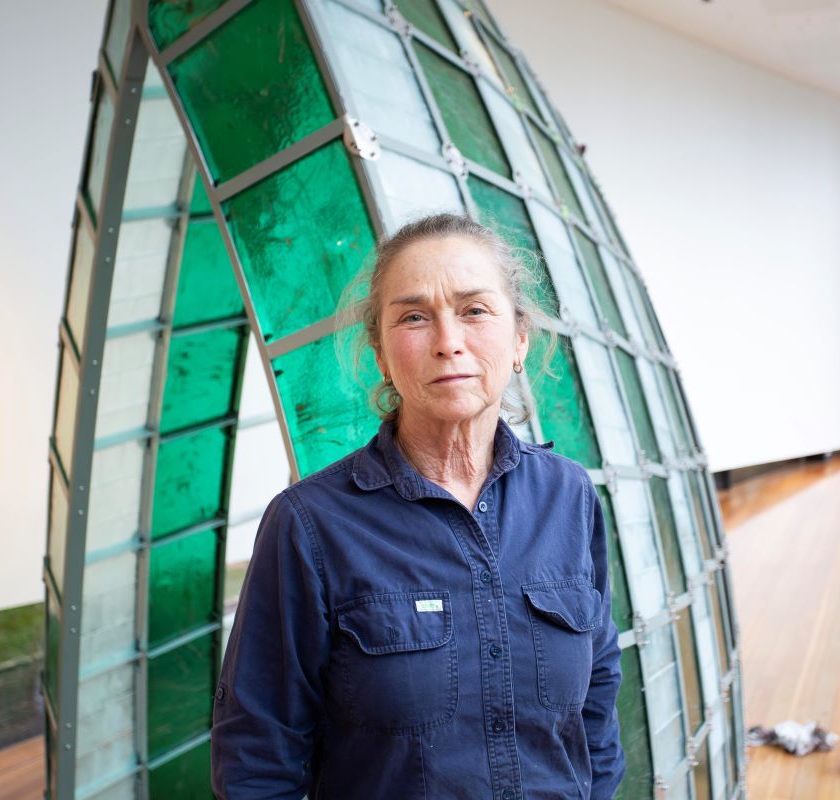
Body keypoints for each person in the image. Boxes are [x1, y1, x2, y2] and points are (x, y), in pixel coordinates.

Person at [211, 213, 625, 799]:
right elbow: (257, 755)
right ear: (381, 354)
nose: (447, 341)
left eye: (475, 310)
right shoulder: (309, 526)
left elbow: (598, 696)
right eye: (413, 317)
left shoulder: (569, 495)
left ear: (520, 341)